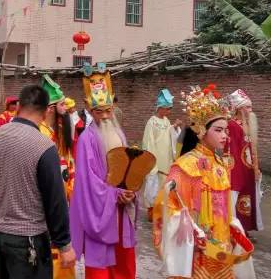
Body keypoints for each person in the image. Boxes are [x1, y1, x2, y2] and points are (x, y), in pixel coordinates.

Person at [153, 84, 255, 278]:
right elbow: (168, 206)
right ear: (201, 130)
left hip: (222, 246)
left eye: (225, 130)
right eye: (218, 130)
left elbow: (225, 207)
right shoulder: (185, 166)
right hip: (197, 249)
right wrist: (190, 230)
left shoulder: (221, 164)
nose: (225, 136)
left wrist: (230, 225)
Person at [0, 84, 74, 278]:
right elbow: (55, 199)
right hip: (29, 240)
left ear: (18, 106)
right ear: (47, 111)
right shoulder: (43, 146)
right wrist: (64, 244)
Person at [69, 63, 137, 278]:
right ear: (90, 111)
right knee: (101, 268)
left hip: (121, 210)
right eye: (100, 112)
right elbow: (89, 182)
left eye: (108, 111)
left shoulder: (119, 134)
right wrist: (115, 195)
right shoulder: (87, 139)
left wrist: (130, 191)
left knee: (124, 262)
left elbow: (129, 168)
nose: (106, 116)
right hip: (101, 210)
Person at [39, 75, 76, 279]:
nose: (67, 107)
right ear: (51, 108)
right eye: (62, 103)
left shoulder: (59, 131)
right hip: (47, 201)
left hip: (63, 198)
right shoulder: (40, 133)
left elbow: (69, 164)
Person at [226, 89, 263, 236]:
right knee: (235, 199)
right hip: (237, 168)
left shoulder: (248, 124)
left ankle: (244, 228)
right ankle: (234, 230)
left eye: (251, 107)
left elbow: (253, 148)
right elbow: (231, 149)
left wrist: (256, 167)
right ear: (239, 108)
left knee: (248, 198)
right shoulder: (232, 125)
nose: (251, 110)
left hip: (248, 168)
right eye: (248, 107)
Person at [141, 88, 181, 220]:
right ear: (161, 108)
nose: (169, 111)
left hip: (166, 160)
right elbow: (148, 142)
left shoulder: (166, 121)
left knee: (164, 186)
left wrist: (174, 127)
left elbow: (168, 136)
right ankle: (152, 211)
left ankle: (162, 209)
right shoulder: (151, 122)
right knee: (153, 186)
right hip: (155, 160)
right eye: (168, 109)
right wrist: (150, 161)